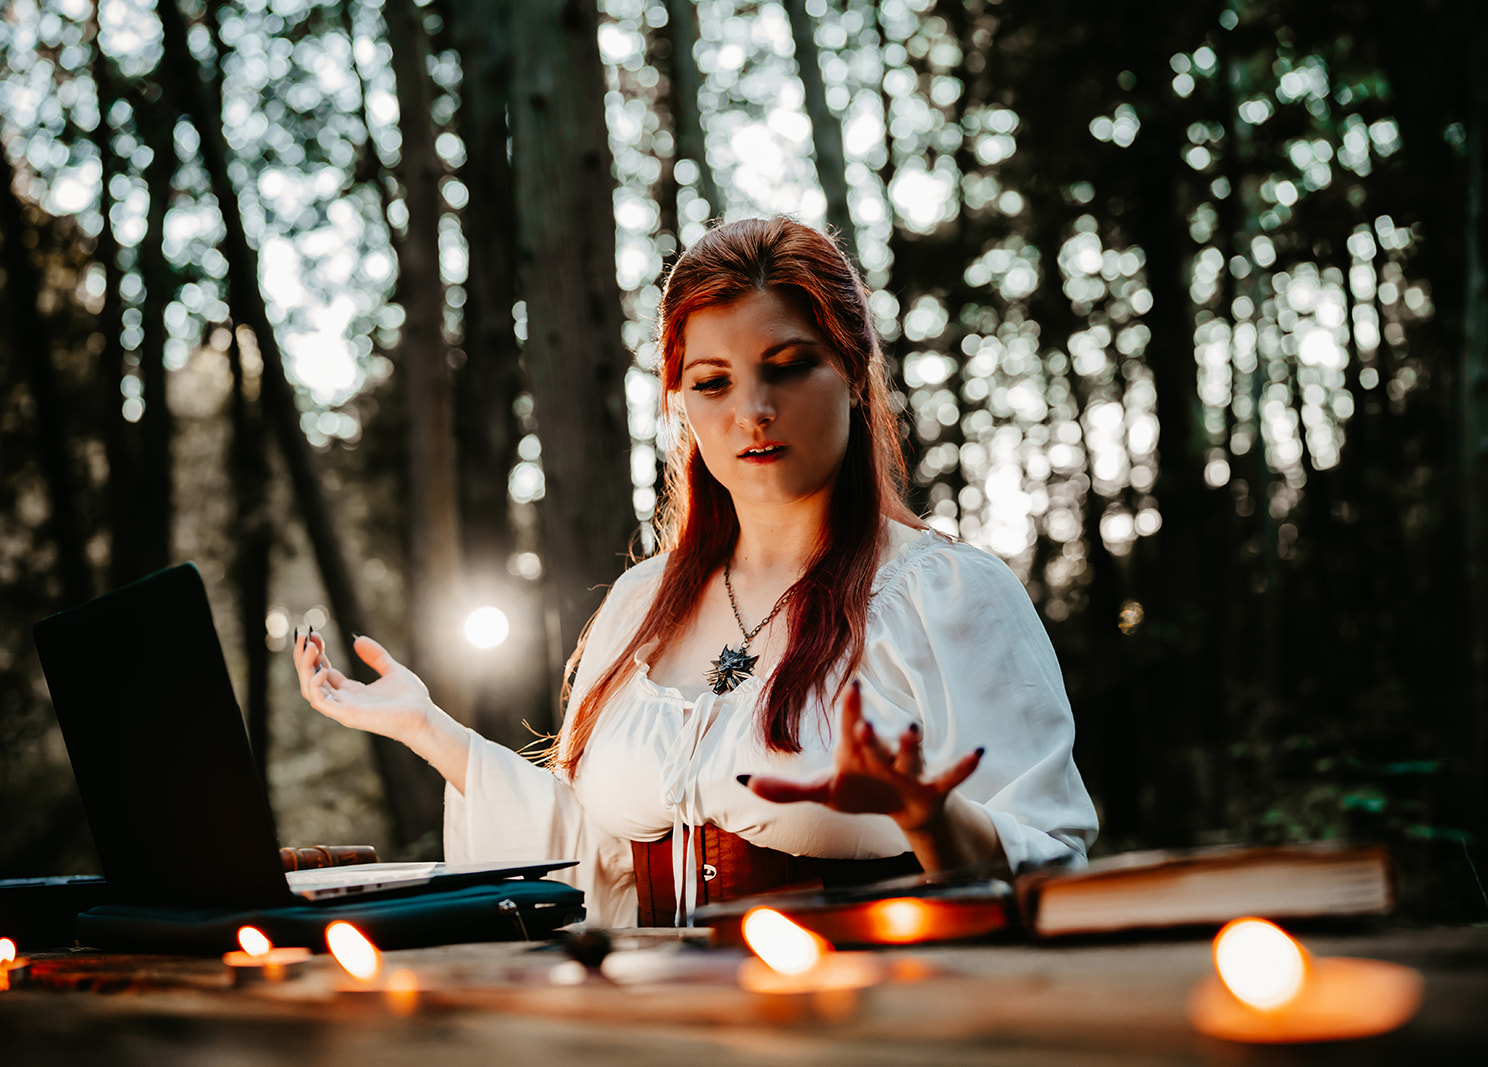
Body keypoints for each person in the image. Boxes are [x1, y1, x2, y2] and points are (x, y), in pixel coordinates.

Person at [295, 216, 1097, 928]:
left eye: (787, 365)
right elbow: (591, 856)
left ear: (853, 371)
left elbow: (1055, 862)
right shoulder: (642, 604)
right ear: (680, 401)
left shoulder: (948, 595)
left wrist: (930, 818)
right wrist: (426, 727)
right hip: (656, 1031)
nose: (752, 411)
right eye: (712, 382)